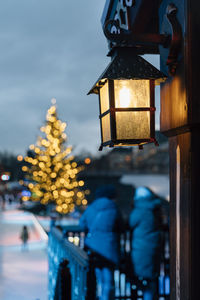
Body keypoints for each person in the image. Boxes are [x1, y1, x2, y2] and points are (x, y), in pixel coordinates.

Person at [79, 185, 122, 300]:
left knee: (98, 276)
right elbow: (120, 226)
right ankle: (106, 297)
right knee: (108, 279)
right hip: (109, 248)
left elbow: (82, 224)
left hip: (93, 248)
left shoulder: (91, 208)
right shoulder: (114, 208)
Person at [129, 186, 162, 300]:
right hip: (154, 246)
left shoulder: (139, 210)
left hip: (141, 248)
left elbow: (131, 223)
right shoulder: (155, 208)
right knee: (151, 278)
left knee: (139, 278)